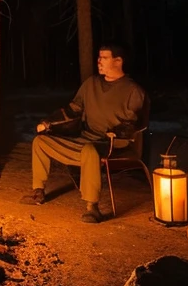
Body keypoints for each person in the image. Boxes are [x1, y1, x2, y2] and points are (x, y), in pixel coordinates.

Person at [18, 43, 147, 224]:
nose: (99, 61)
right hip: (86, 138)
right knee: (41, 142)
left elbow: (133, 124)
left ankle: (92, 207)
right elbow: (73, 109)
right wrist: (48, 122)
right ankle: (38, 191)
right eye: (99, 57)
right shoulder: (91, 83)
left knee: (90, 150)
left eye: (104, 58)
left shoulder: (133, 91)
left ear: (118, 61)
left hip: (113, 144)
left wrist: (117, 133)